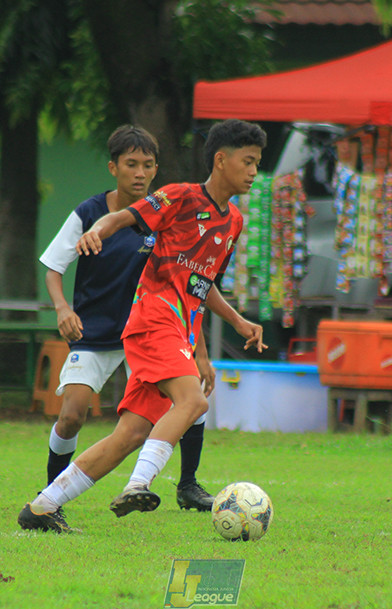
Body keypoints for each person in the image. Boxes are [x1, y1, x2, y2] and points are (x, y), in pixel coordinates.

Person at [18, 119, 268, 533]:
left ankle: (42, 507)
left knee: (130, 434)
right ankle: (139, 484)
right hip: (154, 315)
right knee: (193, 403)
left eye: (258, 163)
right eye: (249, 161)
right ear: (221, 160)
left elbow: (202, 285)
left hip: (177, 324)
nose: (254, 171)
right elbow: (118, 219)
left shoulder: (233, 222)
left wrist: (239, 321)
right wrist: (95, 231)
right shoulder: (179, 196)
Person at [37, 124, 216, 512]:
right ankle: (53, 493)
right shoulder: (89, 212)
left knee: (188, 393)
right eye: (131, 164)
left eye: (147, 165)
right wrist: (63, 308)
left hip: (155, 330)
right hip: (97, 330)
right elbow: (53, 267)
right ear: (112, 167)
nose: (139, 172)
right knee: (71, 415)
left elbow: (188, 285)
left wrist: (198, 350)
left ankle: (188, 484)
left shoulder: (166, 214)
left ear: (155, 170)